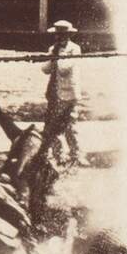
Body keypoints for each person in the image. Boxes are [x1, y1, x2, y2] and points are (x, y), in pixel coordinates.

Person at [43, 20, 84, 166]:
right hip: (54, 92)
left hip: (69, 93)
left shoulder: (74, 49)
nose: (59, 38)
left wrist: (58, 55)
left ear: (68, 35)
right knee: (53, 125)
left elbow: (64, 68)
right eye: (57, 35)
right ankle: (58, 156)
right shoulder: (53, 48)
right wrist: (52, 55)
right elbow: (45, 69)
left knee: (70, 125)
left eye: (62, 35)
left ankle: (76, 155)